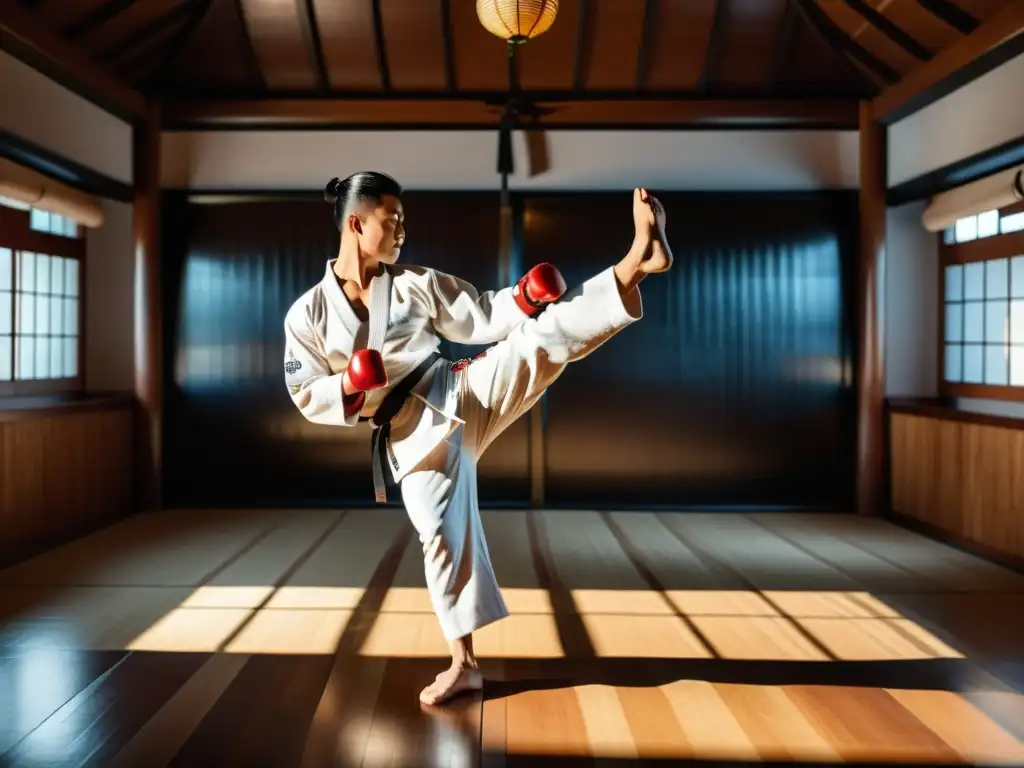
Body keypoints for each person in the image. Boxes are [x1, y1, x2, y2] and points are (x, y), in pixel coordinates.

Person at [283, 172, 672, 706]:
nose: (401, 230)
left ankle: (635, 264)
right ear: (356, 223)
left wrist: (524, 296)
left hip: (455, 385)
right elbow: (304, 391)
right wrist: (348, 384)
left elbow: (481, 315)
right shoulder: (308, 313)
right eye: (391, 220)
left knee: (541, 339)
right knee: (441, 535)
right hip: (409, 430)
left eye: (402, 220)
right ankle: (464, 664)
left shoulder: (414, 282)